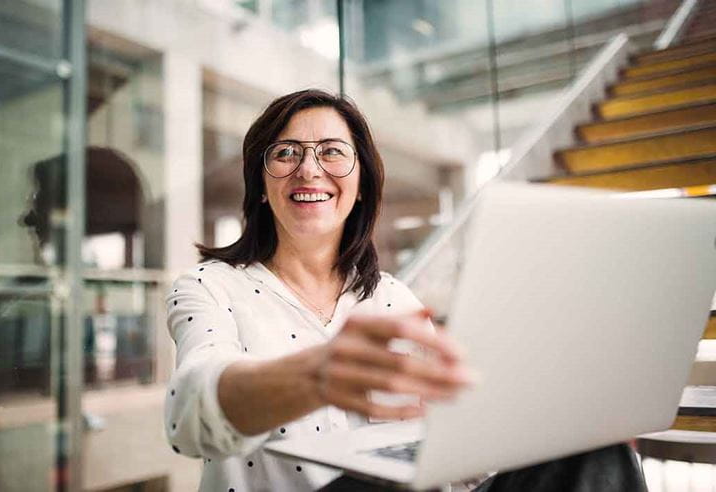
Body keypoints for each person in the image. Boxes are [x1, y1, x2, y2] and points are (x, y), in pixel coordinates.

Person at [164, 89, 646, 492]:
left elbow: (455, 451)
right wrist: (316, 375)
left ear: (360, 187)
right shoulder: (210, 286)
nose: (308, 169)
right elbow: (190, 412)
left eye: (332, 151)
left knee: (598, 455)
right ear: (262, 187)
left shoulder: (392, 298)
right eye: (286, 153)